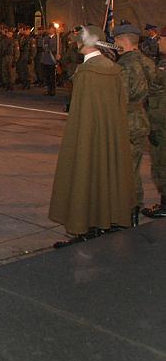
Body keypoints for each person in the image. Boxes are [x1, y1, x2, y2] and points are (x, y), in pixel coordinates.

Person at [49, 26, 136, 247]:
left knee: (85, 170)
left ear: (84, 43)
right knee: (106, 170)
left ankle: (84, 223)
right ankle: (107, 218)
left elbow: (82, 115)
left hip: (88, 134)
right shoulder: (113, 68)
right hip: (109, 134)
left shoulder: (87, 73)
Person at [113, 24, 156, 225]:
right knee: (135, 166)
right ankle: (134, 207)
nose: (114, 43)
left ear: (123, 40)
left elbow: (121, 97)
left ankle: (130, 209)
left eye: (116, 40)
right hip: (142, 117)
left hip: (127, 120)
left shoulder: (123, 65)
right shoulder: (148, 62)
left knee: (126, 169)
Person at [144, 37, 166, 219]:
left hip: (162, 123)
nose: (159, 41)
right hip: (159, 120)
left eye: (162, 38)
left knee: (162, 162)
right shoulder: (160, 62)